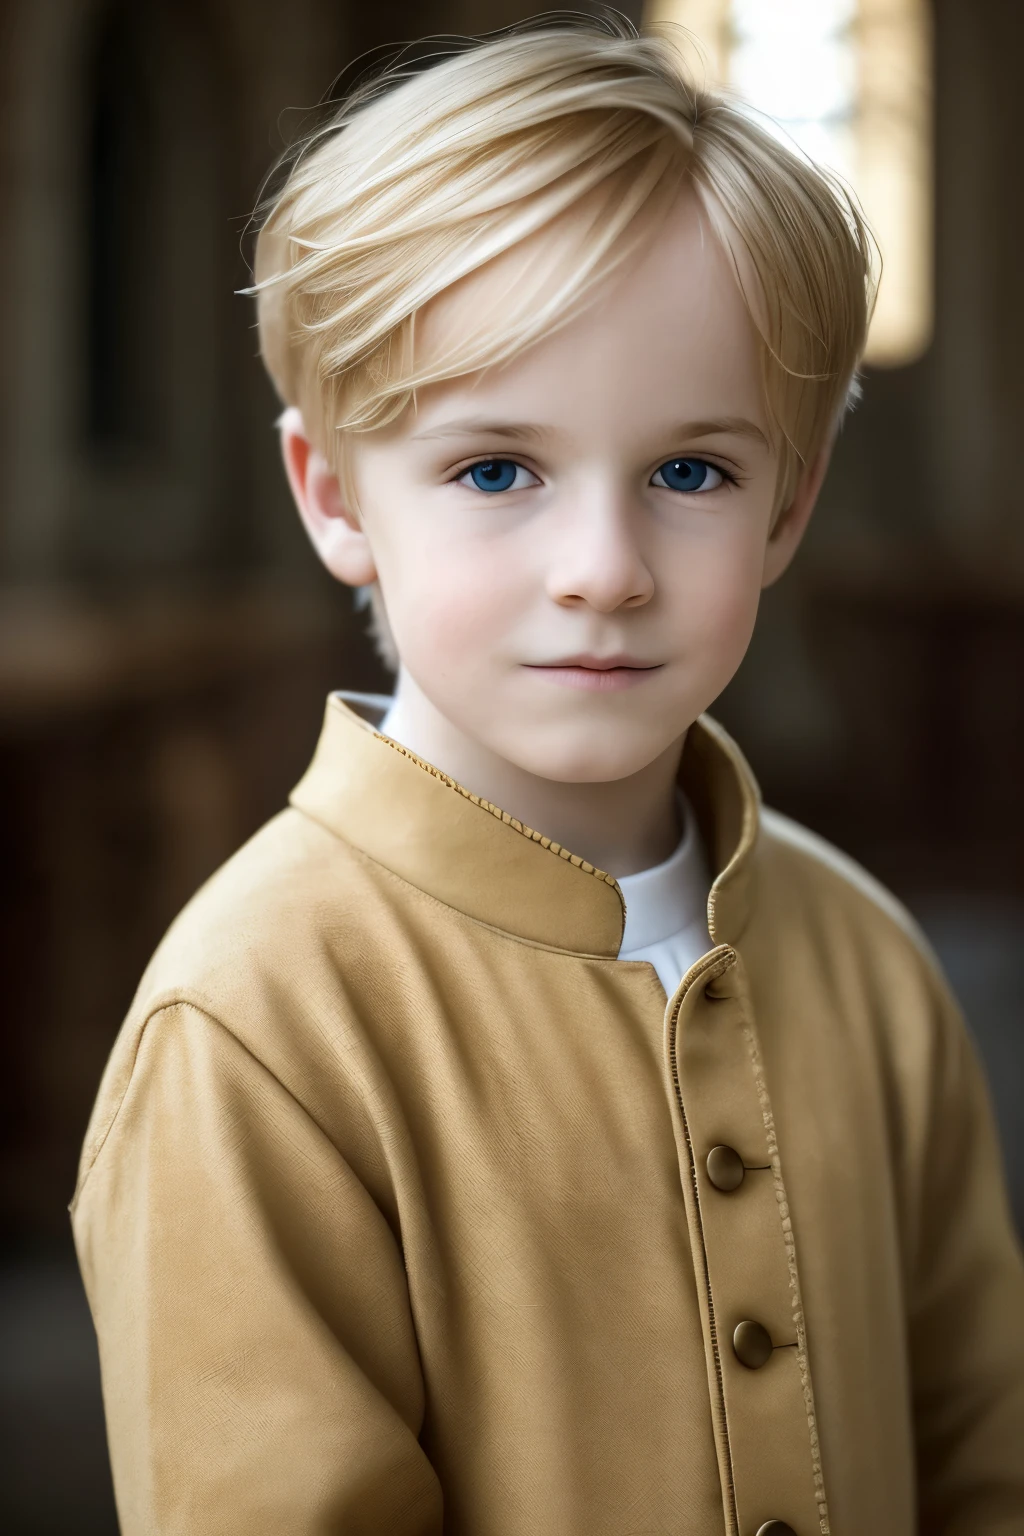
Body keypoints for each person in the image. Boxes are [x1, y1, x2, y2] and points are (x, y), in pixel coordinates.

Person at [71, 16, 1024, 1536]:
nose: (604, 571)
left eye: (692, 472)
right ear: (335, 497)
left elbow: (984, 1459)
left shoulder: (871, 963)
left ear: (789, 507)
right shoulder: (253, 1027)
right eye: (496, 470)